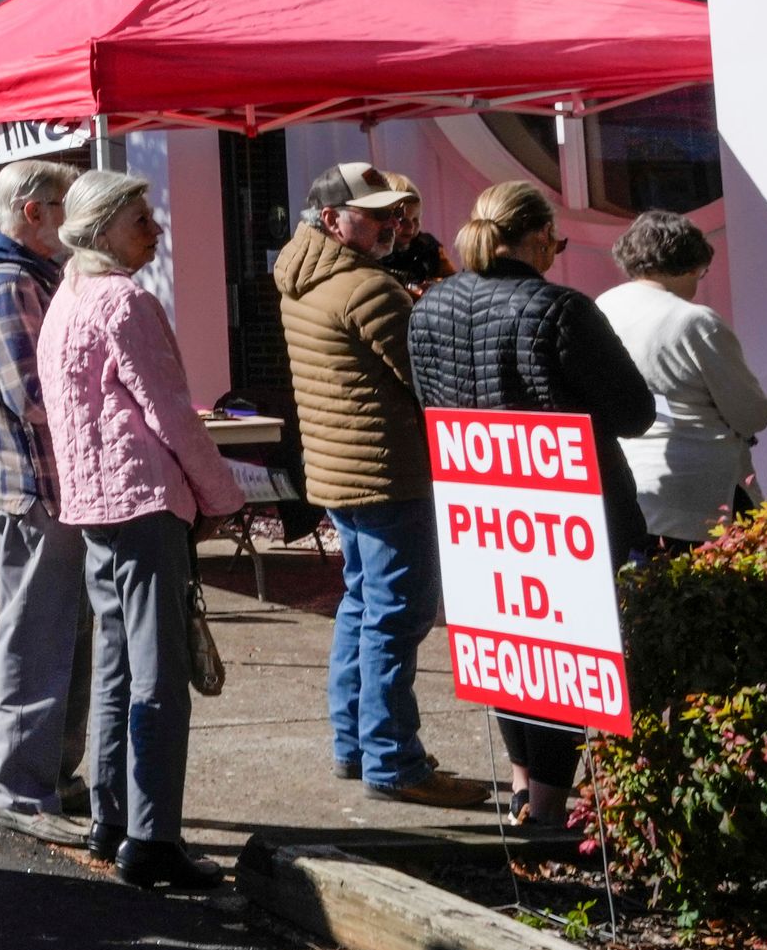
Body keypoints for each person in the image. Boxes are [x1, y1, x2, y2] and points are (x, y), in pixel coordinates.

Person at [407, 180, 655, 828]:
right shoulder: (559, 308)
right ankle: (545, 812)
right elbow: (634, 409)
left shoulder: (428, 308)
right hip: (567, 505)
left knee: (509, 649)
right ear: (540, 235)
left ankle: (523, 790)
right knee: (567, 657)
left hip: (475, 505)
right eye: (559, 241)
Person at [36, 169, 244, 893]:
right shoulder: (125, 301)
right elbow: (172, 414)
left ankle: (112, 815)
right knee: (159, 675)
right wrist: (222, 493)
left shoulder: (67, 298)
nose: (154, 230)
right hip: (144, 504)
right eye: (140, 219)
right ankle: (153, 837)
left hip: (95, 503)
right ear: (101, 231)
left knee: (120, 666)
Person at [274, 161, 489, 808]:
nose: (393, 224)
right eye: (376, 214)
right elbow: (431, 381)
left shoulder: (301, 278)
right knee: (399, 615)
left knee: (363, 607)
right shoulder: (369, 288)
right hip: (389, 472)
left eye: (395, 212)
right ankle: (394, 758)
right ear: (333, 218)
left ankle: (357, 743)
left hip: (340, 472)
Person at [0, 158, 92, 841]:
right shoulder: (8, 283)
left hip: (52, 487)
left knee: (66, 637)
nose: (77, 218)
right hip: (35, 488)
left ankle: (53, 778)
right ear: (32, 211)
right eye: (67, 204)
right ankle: (22, 789)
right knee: (38, 639)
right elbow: (35, 395)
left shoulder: (32, 277)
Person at [600, 209, 767, 553]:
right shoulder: (695, 321)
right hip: (700, 488)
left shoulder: (605, 305)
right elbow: (751, 413)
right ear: (687, 263)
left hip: (632, 478)